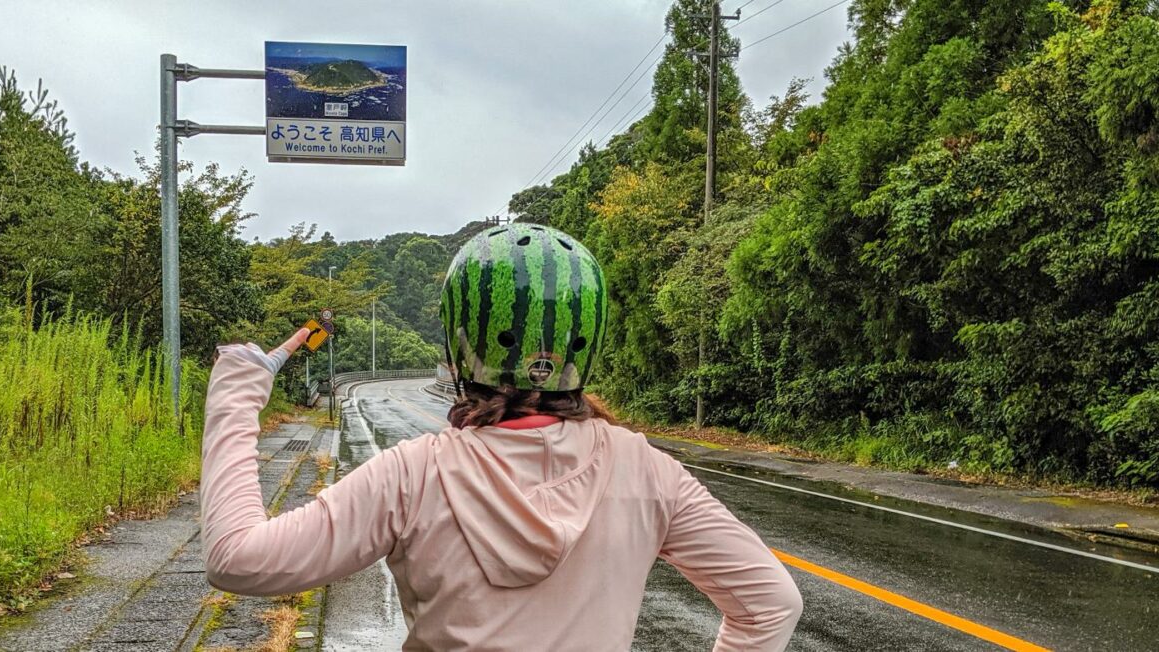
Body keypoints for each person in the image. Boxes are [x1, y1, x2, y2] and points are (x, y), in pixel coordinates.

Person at [201, 224, 803, 651]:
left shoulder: (413, 473)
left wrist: (235, 397)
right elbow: (772, 604)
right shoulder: (644, 468)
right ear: (585, 339)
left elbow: (238, 560)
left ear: (459, 342)